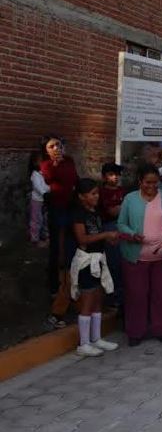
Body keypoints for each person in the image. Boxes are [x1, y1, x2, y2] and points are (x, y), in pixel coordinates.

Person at [117, 164, 162, 346]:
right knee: (136, 294)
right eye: (147, 182)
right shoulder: (130, 199)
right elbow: (121, 224)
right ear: (140, 181)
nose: (151, 186)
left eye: (155, 183)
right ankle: (135, 331)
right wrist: (132, 234)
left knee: (161, 294)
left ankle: (160, 328)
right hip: (135, 257)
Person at [70, 178, 119, 356]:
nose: (96, 197)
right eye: (92, 194)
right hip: (86, 261)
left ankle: (96, 338)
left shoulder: (95, 213)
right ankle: (83, 343)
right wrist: (105, 234)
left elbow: (97, 235)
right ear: (82, 197)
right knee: (88, 301)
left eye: (97, 193)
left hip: (98, 259)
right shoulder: (78, 215)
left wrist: (108, 238)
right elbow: (82, 239)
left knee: (98, 298)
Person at [40, 135, 79, 327]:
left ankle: (72, 292)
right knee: (59, 249)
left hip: (71, 207)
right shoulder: (47, 165)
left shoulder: (70, 161)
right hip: (57, 209)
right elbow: (49, 180)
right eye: (52, 146)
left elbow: (75, 180)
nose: (56, 148)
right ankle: (56, 288)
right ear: (46, 150)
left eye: (59, 145)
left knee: (74, 246)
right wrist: (55, 164)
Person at [28, 151, 50, 247]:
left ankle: (44, 236)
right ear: (35, 163)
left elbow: (48, 185)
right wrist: (45, 193)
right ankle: (35, 239)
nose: (42, 163)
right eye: (40, 161)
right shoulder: (35, 174)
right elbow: (38, 187)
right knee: (36, 220)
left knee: (45, 219)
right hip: (37, 200)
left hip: (45, 200)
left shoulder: (43, 173)